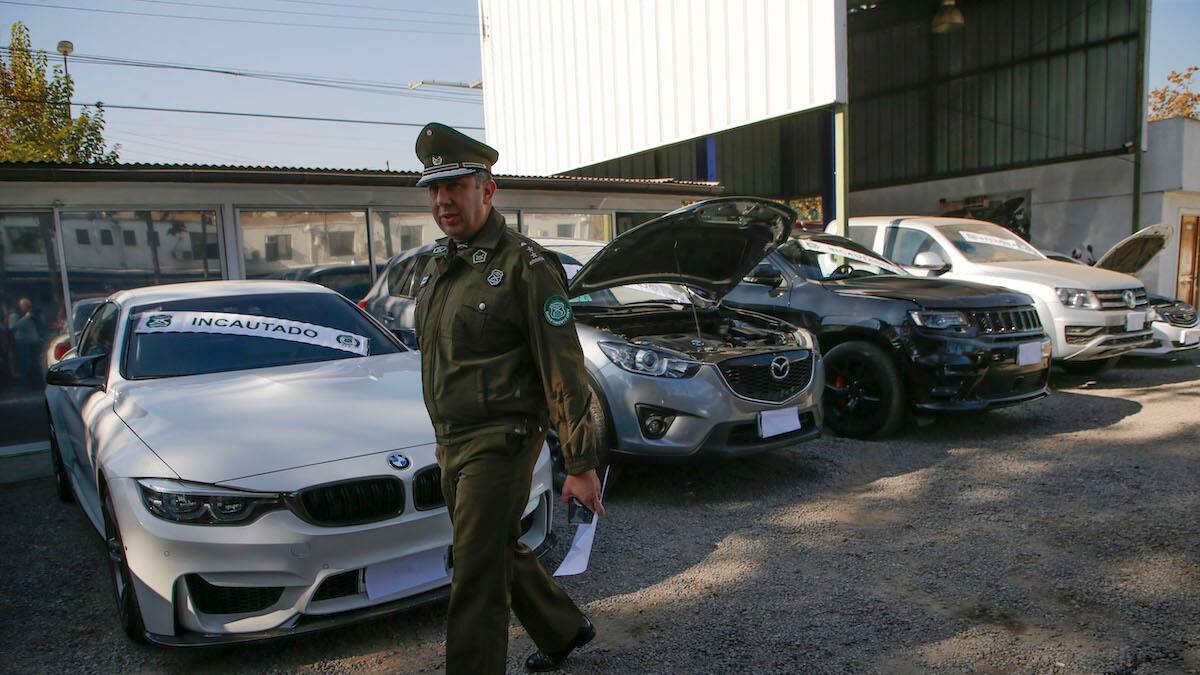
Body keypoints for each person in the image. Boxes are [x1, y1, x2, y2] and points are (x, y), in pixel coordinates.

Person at [412, 122, 605, 674]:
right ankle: (565, 629)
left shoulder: (526, 266)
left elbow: (563, 371)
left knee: (473, 569)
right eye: (433, 188)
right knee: (493, 546)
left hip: (503, 440)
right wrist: (444, 439)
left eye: (455, 185)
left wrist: (580, 463)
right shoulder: (438, 267)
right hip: (455, 442)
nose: (443, 200)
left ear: (487, 189)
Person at [8, 298, 43, 388]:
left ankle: (36, 383)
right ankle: (25, 384)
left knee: (34, 363)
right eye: (24, 305)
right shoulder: (15, 316)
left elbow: (40, 325)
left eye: (27, 305)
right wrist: (25, 318)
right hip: (23, 342)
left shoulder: (32, 315)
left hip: (33, 341)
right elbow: (13, 327)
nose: (26, 307)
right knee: (24, 363)